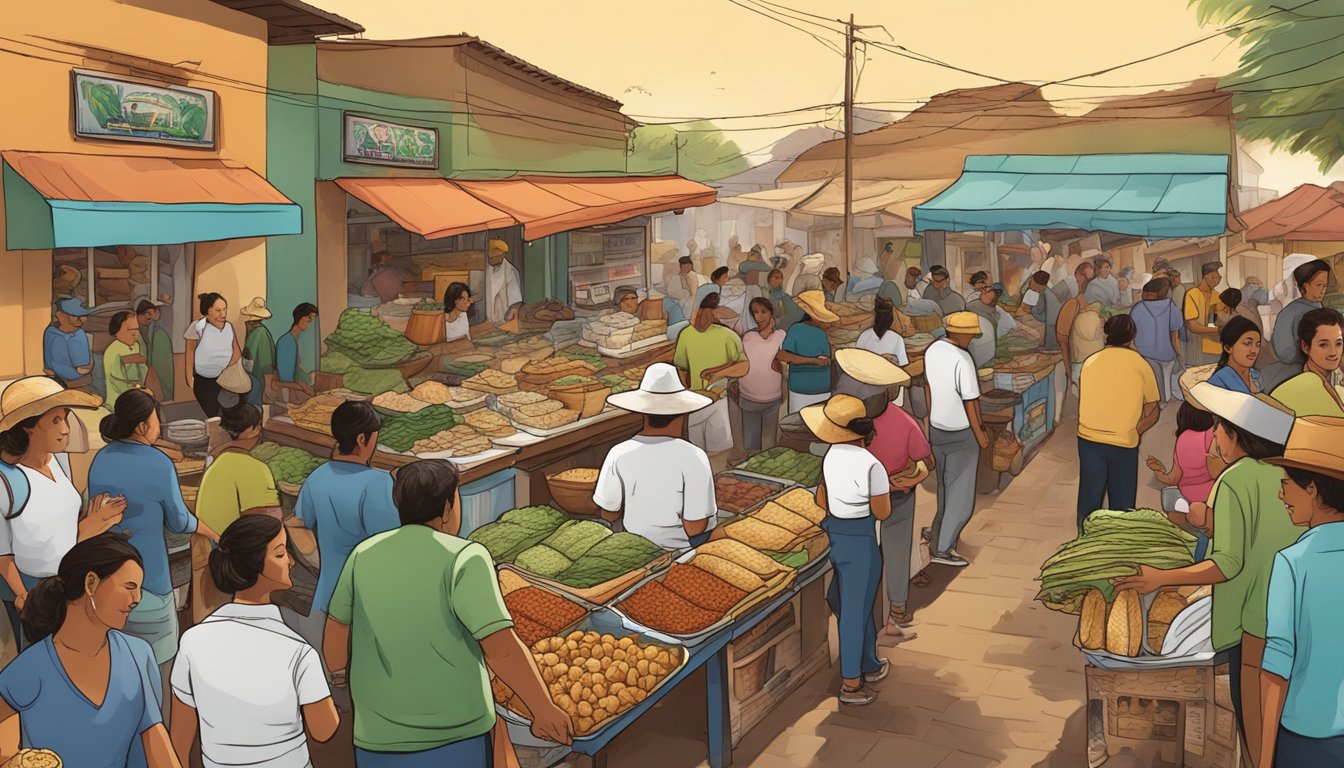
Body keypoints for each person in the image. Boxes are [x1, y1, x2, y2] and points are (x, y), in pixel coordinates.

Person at [324, 460, 573, 764]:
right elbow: (501, 650)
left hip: (378, 734)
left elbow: (337, 626)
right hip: (454, 735)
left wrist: (337, 673)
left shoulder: (364, 553)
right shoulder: (465, 557)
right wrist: (543, 710)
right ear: (446, 508)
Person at [1113, 382, 1298, 767]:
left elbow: (1227, 563)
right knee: (1282, 719)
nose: (1214, 436)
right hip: (1290, 614)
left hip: (1252, 621)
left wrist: (1161, 578)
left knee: (1255, 722)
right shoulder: (1288, 475)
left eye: (1220, 429)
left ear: (1240, 437)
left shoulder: (1235, 479)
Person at [171, 515, 339, 768]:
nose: (291, 562)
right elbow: (324, 729)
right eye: (281, 554)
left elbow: (179, 743)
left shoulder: (192, 642)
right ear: (254, 567)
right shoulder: (298, 652)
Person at [0, 535, 179, 767]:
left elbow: (155, 740)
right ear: (91, 583)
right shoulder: (27, 671)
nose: (137, 599)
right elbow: (6, 757)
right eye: (129, 587)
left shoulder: (138, 655)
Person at [90, 390, 220, 690]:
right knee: (159, 672)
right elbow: (179, 520)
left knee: (118, 670)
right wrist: (211, 531)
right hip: (149, 584)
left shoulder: (101, 458)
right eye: (156, 421)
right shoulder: (158, 463)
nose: (159, 427)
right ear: (141, 426)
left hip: (107, 581)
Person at [0, 376, 122, 648]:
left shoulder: (58, 462)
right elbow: (2, 553)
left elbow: (59, 532)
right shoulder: (7, 480)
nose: (66, 429)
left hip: (69, 580)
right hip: (34, 591)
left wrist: (94, 523)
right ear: (28, 427)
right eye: (55, 421)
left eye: (65, 418)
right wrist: (23, 596)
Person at [1259, 416, 1344, 766]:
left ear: (1312, 488)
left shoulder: (1292, 562)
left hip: (1307, 737)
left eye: (1286, 484)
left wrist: (1264, 760)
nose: (1282, 495)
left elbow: (1277, 669)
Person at [831, 350, 930, 640]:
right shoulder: (906, 422)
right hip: (898, 495)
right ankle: (896, 609)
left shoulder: (848, 424)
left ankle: (866, 617)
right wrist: (914, 473)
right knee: (897, 550)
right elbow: (926, 460)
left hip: (857, 504)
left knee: (864, 560)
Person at [291, 401, 400, 659]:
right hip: (363, 615)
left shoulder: (317, 477)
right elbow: (390, 548)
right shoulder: (378, 483)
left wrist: (321, 561)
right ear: (363, 439)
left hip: (324, 606)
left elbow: (297, 525)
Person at [805, 394, 892, 707]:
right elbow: (882, 512)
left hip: (835, 535)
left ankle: (869, 661)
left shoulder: (830, 456)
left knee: (845, 601)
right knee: (856, 611)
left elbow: (821, 500)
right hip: (861, 540)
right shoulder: (872, 465)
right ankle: (852, 684)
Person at [595, 364, 717, 549]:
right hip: (681, 550)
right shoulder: (694, 457)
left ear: (643, 412)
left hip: (634, 546)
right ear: (682, 413)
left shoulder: (618, 452)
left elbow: (609, 513)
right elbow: (694, 528)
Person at [192, 403, 280, 623]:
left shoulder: (216, 461)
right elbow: (266, 522)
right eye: (258, 426)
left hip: (211, 552)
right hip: (234, 562)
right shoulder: (254, 468)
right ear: (251, 430)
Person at [1076, 315, 1160, 528]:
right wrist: (1136, 430)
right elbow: (1153, 411)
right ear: (1132, 336)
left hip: (1088, 439)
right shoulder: (1141, 364)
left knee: (1089, 499)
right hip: (1123, 442)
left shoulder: (1090, 362)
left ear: (1106, 333)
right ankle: (1119, 549)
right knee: (1122, 508)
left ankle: (1085, 545)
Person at [922, 312, 990, 567]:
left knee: (943, 489)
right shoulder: (963, 359)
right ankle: (942, 549)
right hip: (962, 432)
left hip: (938, 429)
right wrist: (980, 433)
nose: (972, 338)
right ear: (961, 334)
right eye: (970, 334)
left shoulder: (933, 350)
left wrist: (930, 417)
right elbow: (970, 401)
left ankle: (937, 535)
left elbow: (927, 386)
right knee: (960, 497)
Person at [673, 292, 747, 459]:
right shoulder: (686, 335)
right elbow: (681, 367)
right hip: (695, 400)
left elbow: (743, 366)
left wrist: (718, 373)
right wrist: (685, 392)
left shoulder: (728, 336)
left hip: (719, 399)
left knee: (716, 450)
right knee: (698, 450)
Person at [1145, 402, 1223, 561]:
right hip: (1208, 499)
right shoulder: (1211, 435)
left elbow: (1172, 478)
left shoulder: (1182, 439)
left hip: (1185, 497)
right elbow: (1219, 470)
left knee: (1177, 510)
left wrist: (1159, 472)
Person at [1264, 259, 1332, 392]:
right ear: (1305, 285)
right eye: (1319, 285)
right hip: (1294, 375)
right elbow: (1285, 352)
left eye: (1325, 285)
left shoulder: (1320, 308)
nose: (1323, 290)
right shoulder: (1290, 313)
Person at [1270, 307, 1344, 418]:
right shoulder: (1292, 390)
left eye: (1338, 344)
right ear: (1305, 347)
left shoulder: (1337, 387)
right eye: (1323, 345)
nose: (1333, 352)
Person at [737, 298, 786, 453]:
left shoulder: (781, 336)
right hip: (748, 397)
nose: (760, 316)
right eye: (756, 312)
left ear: (771, 312)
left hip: (773, 398)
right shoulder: (747, 337)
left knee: (770, 444)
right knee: (752, 445)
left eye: (763, 311)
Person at [185, 293, 243, 418]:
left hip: (225, 380)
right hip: (204, 381)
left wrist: (226, 371)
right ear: (208, 311)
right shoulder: (197, 327)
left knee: (230, 413)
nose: (223, 314)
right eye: (218, 310)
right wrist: (189, 378)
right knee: (212, 415)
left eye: (224, 309)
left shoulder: (228, 327)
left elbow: (236, 351)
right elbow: (190, 353)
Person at [778, 291, 837, 414]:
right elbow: (783, 356)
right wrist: (813, 360)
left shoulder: (823, 333)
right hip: (800, 391)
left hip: (823, 390)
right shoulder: (796, 329)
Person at [1131, 277, 1185, 402]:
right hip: (1166, 352)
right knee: (1166, 378)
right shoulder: (1172, 307)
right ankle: (1164, 400)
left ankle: (1155, 401)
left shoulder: (1138, 307)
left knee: (1150, 380)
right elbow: (1174, 335)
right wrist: (1179, 354)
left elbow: (1132, 331)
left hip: (1143, 352)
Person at [42, 297, 95, 387]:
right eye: (76, 316)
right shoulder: (55, 337)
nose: (82, 320)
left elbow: (87, 353)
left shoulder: (80, 332)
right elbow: (57, 365)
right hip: (63, 381)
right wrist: (77, 373)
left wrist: (90, 363)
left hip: (84, 378)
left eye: (83, 316)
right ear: (60, 316)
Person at [1056, 263, 1094, 380]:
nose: (1088, 280)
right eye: (1084, 276)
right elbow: (1062, 339)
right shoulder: (1073, 305)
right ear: (1077, 276)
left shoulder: (1098, 305)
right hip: (1079, 366)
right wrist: (1069, 371)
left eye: (1091, 278)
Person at [1183, 261, 1225, 366]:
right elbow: (1192, 326)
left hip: (1215, 348)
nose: (1216, 281)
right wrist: (1220, 330)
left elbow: (1222, 319)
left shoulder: (1217, 296)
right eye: (1213, 278)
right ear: (1204, 277)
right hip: (1196, 347)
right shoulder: (1192, 294)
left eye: (1218, 278)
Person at [104, 311, 149, 407]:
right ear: (116, 331)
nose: (134, 333)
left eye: (136, 329)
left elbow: (142, 368)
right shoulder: (112, 350)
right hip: (118, 402)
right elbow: (118, 382)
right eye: (129, 329)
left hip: (136, 397)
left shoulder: (136, 346)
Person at [275, 302, 319, 399]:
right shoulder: (286, 342)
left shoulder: (294, 340)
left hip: (297, 388)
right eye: (309, 318)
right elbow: (286, 378)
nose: (311, 322)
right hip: (289, 393)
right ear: (300, 317)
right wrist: (304, 387)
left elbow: (297, 368)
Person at [1208, 317, 1263, 395]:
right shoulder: (1219, 381)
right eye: (1247, 343)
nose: (1254, 350)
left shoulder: (1259, 376)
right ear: (1228, 348)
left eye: (1258, 345)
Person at [238, 297, 275, 407]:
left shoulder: (260, 333)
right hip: (251, 380)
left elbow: (266, 362)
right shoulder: (254, 332)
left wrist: (268, 386)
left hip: (258, 381)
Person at [136, 300, 175, 402]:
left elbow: (163, 365)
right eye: (145, 313)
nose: (148, 317)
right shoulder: (137, 332)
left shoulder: (158, 334)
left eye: (151, 313)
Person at [857, 297, 909, 365]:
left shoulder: (897, 339)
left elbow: (902, 364)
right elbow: (858, 362)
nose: (883, 321)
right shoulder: (864, 336)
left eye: (886, 318)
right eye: (881, 317)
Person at [484, 238, 521, 325]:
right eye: (491, 258)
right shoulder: (485, 268)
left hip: (504, 317)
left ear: (502, 255)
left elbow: (515, 298)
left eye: (495, 257)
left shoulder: (510, 270)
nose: (492, 260)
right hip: (486, 318)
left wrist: (511, 314)